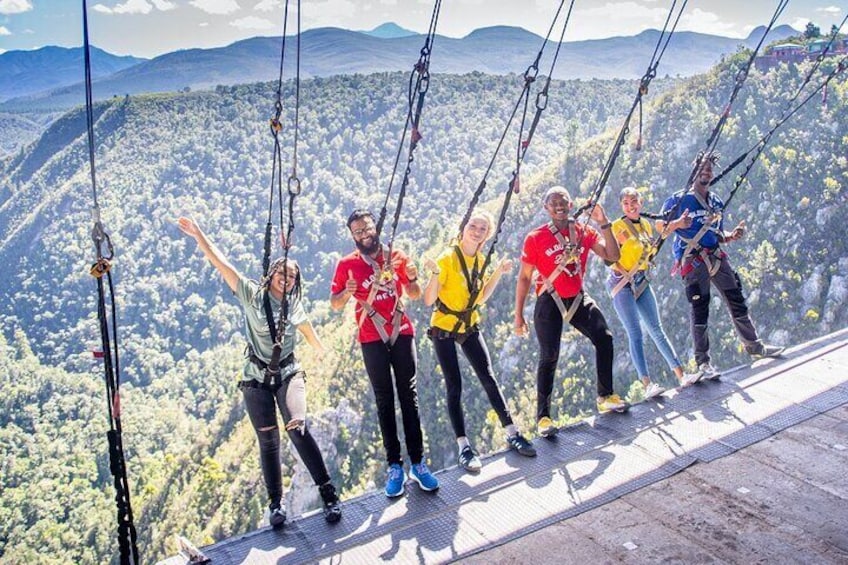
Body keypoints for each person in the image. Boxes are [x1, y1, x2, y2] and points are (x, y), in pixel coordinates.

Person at [177, 217, 341, 528]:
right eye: (282, 273)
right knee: (268, 441)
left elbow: (308, 331)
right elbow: (220, 262)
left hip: (289, 372)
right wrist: (200, 235)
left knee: (297, 427)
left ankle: (328, 493)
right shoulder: (251, 294)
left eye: (292, 276)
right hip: (255, 377)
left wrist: (324, 351)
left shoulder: (293, 304)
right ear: (271, 273)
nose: (286, 279)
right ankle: (276, 506)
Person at [330, 209, 439, 497]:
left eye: (367, 229)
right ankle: (394, 465)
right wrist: (346, 292)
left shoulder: (397, 256)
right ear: (352, 236)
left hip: (400, 329)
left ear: (375, 227)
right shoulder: (346, 265)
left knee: (409, 396)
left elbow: (414, 294)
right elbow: (335, 303)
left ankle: (418, 462)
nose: (364, 235)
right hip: (370, 335)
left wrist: (413, 279)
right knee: (384, 400)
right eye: (358, 232)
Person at [422, 209, 536, 473]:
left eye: (482, 229)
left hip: (469, 323)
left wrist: (497, 272)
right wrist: (436, 275)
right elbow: (428, 300)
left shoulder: (479, 261)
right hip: (443, 327)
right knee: (454, 385)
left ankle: (511, 431)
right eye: (473, 226)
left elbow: (480, 297)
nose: (477, 231)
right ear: (463, 227)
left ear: (487, 235)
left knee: (488, 377)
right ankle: (464, 446)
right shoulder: (448, 258)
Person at [658, 153, 784, 379]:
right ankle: (703, 363)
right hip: (693, 260)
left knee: (736, 299)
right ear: (694, 171)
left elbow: (716, 233)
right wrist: (678, 223)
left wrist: (731, 236)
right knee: (700, 309)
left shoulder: (715, 202)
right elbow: (661, 228)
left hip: (715, 255)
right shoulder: (678, 200)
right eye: (702, 168)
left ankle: (755, 346)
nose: (706, 172)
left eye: (709, 169)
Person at [514, 186, 626, 438]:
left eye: (563, 201)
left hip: (577, 297)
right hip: (548, 300)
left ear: (571, 203)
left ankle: (605, 395)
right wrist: (518, 315)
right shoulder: (535, 237)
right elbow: (523, 278)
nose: (559, 206)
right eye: (553, 203)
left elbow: (612, 257)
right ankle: (543, 417)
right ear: (546, 208)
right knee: (549, 354)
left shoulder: (584, 231)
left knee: (604, 338)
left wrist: (604, 222)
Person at [606, 187, 700, 398]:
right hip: (622, 282)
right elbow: (609, 258)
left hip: (641, 279)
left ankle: (681, 375)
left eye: (634, 202)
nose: (631, 206)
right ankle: (647, 384)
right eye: (626, 203)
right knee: (636, 333)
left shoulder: (647, 226)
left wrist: (675, 225)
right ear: (622, 206)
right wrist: (622, 258)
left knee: (656, 329)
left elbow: (654, 246)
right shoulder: (617, 227)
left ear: (641, 203)